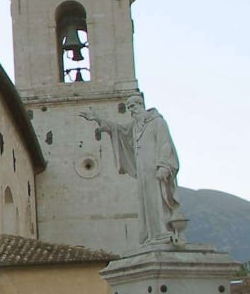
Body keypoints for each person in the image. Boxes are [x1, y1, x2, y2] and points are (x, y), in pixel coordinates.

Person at [80, 94, 188, 246]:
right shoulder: (136, 126)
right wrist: (98, 119)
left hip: (155, 170)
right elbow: (119, 130)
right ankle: (151, 235)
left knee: (158, 200)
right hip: (143, 172)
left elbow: (165, 144)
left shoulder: (157, 122)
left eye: (133, 106)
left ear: (141, 104)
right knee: (146, 202)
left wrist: (164, 166)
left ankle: (163, 232)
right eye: (129, 108)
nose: (131, 110)